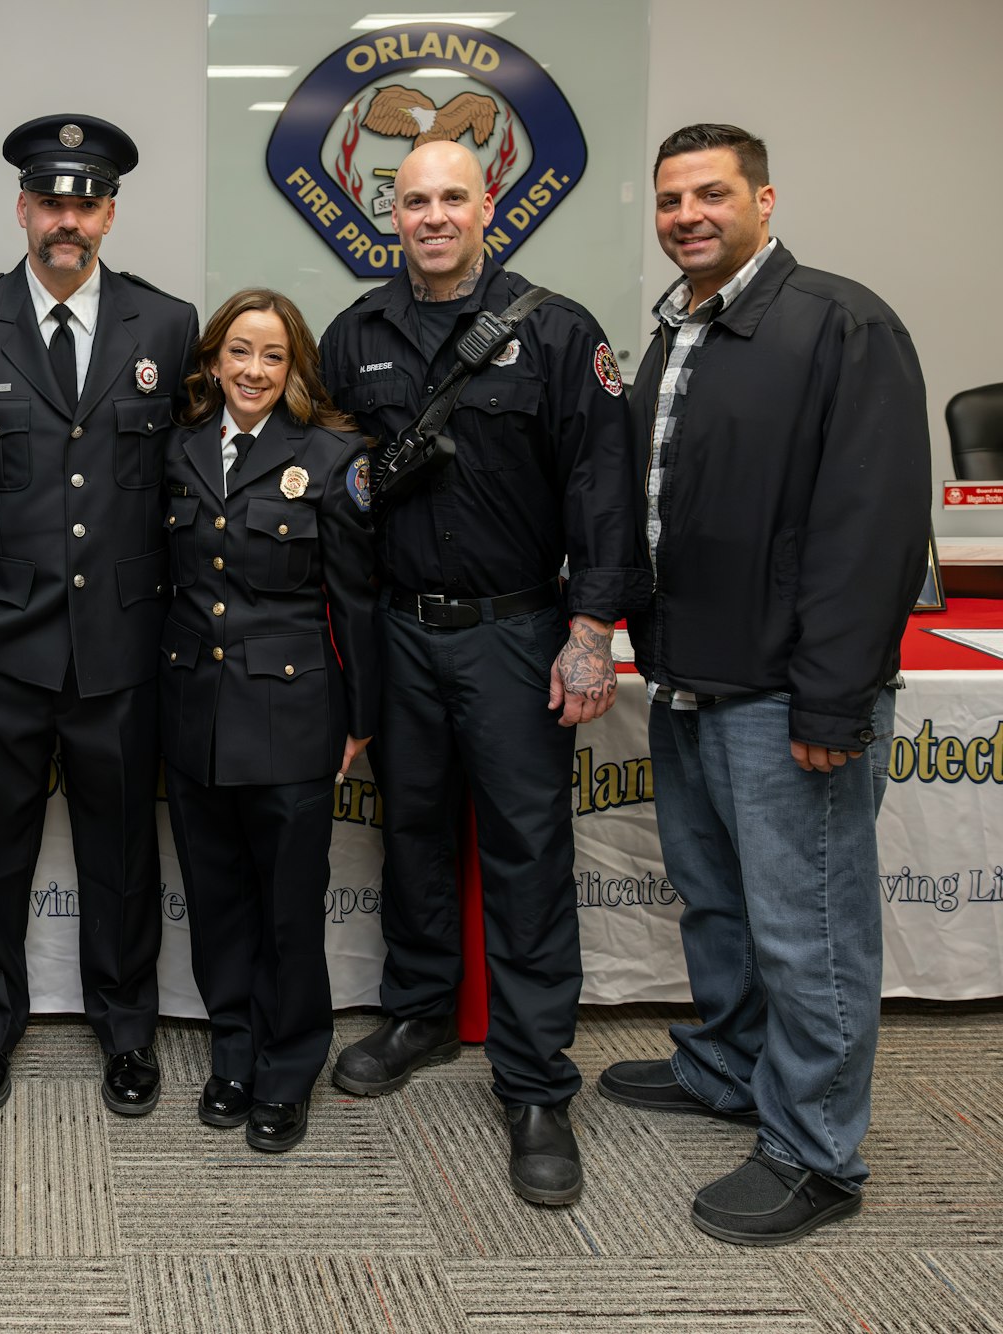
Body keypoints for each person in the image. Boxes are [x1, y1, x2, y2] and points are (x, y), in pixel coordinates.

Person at [597, 123, 929, 1245]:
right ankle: (726, 1067)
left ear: (763, 198)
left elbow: (869, 525)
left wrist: (832, 697)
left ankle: (814, 1149)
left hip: (789, 692)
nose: (685, 214)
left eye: (709, 195)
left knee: (809, 930)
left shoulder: (837, 321)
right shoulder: (678, 327)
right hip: (692, 672)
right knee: (718, 901)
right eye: (668, 200)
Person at [319, 140, 649, 1205]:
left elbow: (601, 486)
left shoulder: (557, 330)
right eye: (411, 200)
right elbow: (333, 499)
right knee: (409, 828)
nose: (430, 216)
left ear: (488, 204)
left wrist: (589, 626)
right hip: (398, 629)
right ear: (389, 213)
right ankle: (418, 1008)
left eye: (450, 196)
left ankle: (535, 1078)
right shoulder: (351, 335)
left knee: (524, 850)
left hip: (514, 631)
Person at [0, 114, 199, 1116]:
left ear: (109, 213)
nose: (65, 220)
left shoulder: (165, 326)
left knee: (122, 854)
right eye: (50, 201)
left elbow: (180, 486)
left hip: (120, 645)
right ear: (21, 208)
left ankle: (126, 1030)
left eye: (85, 202)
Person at [160, 289, 377, 1153]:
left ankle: (289, 1071)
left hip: (292, 716)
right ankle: (236, 1054)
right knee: (216, 903)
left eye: (273, 357)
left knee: (289, 907)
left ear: (294, 371)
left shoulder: (330, 456)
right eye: (239, 353)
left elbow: (356, 601)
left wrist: (359, 719)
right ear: (213, 361)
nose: (253, 371)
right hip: (193, 713)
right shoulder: (176, 450)